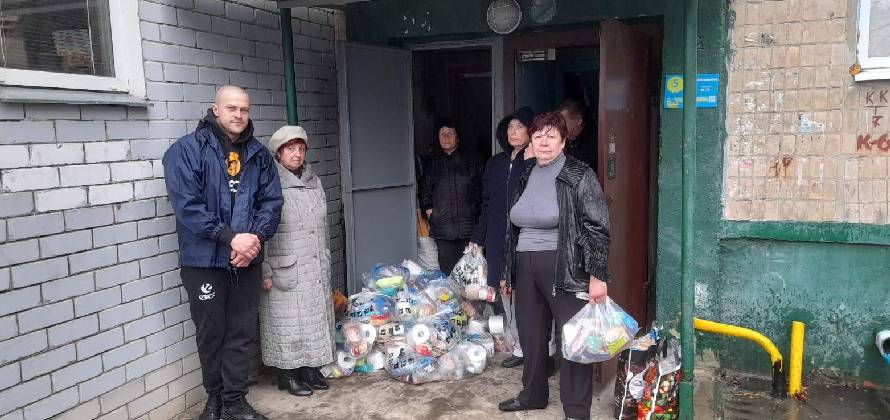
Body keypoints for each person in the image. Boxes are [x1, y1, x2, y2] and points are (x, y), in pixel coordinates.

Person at [163, 85, 282, 420]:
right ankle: (214, 400)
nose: (239, 115)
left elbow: (271, 204)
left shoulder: (259, 156)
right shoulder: (185, 151)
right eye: (231, 108)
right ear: (215, 110)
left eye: (244, 109)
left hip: (247, 261)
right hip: (204, 261)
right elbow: (188, 207)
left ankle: (234, 400)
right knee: (211, 332)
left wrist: (253, 241)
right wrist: (231, 238)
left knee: (241, 333)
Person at [498, 112, 611, 420]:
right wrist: (507, 270)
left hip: (565, 264)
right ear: (531, 142)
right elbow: (513, 227)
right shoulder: (527, 173)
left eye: (551, 135)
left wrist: (597, 275)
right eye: (538, 136)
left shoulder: (578, 173)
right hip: (526, 263)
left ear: (563, 140)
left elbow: (597, 226)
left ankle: (576, 411)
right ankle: (532, 395)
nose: (544, 142)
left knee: (574, 337)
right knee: (531, 334)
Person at [259, 126, 334, 398]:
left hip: (313, 262)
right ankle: (287, 374)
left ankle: (308, 369)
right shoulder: (269, 182)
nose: (297, 154)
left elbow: (323, 225)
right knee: (288, 322)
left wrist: (325, 257)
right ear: (279, 153)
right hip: (285, 265)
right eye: (290, 148)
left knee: (312, 320)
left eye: (301, 148)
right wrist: (264, 269)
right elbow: (260, 229)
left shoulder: (314, 181)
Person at [468, 106, 536, 368]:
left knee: (530, 296)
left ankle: (545, 351)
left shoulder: (535, 162)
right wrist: (478, 237)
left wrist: (531, 159)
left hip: (525, 239)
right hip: (497, 238)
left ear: (531, 131)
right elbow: (486, 203)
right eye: (510, 127)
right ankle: (519, 348)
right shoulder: (495, 163)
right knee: (505, 294)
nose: (514, 132)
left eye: (520, 127)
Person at [419, 118, 483, 274]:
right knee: (447, 271)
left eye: (450, 133)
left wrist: (478, 214)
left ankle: (470, 299)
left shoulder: (472, 161)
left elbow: (482, 190)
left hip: (469, 226)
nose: (446, 137)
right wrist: (430, 211)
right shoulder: (432, 163)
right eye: (442, 134)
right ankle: (452, 299)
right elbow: (424, 191)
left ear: (458, 138)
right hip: (443, 227)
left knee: (471, 270)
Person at [558, 98, 597, 169]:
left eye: (564, 123)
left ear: (579, 120)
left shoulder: (594, 137)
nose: (561, 128)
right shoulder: (567, 138)